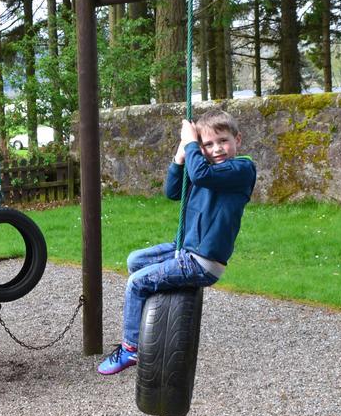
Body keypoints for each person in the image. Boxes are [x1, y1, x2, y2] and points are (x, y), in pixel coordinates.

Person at [97, 108, 257, 375]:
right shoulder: (202, 168)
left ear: (237, 140)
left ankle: (131, 348)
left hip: (202, 262)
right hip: (183, 251)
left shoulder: (241, 168)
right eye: (208, 144)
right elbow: (173, 191)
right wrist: (181, 154)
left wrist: (192, 143)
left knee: (136, 283)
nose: (217, 149)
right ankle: (158, 307)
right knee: (135, 261)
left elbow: (202, 176)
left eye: (223, 141)